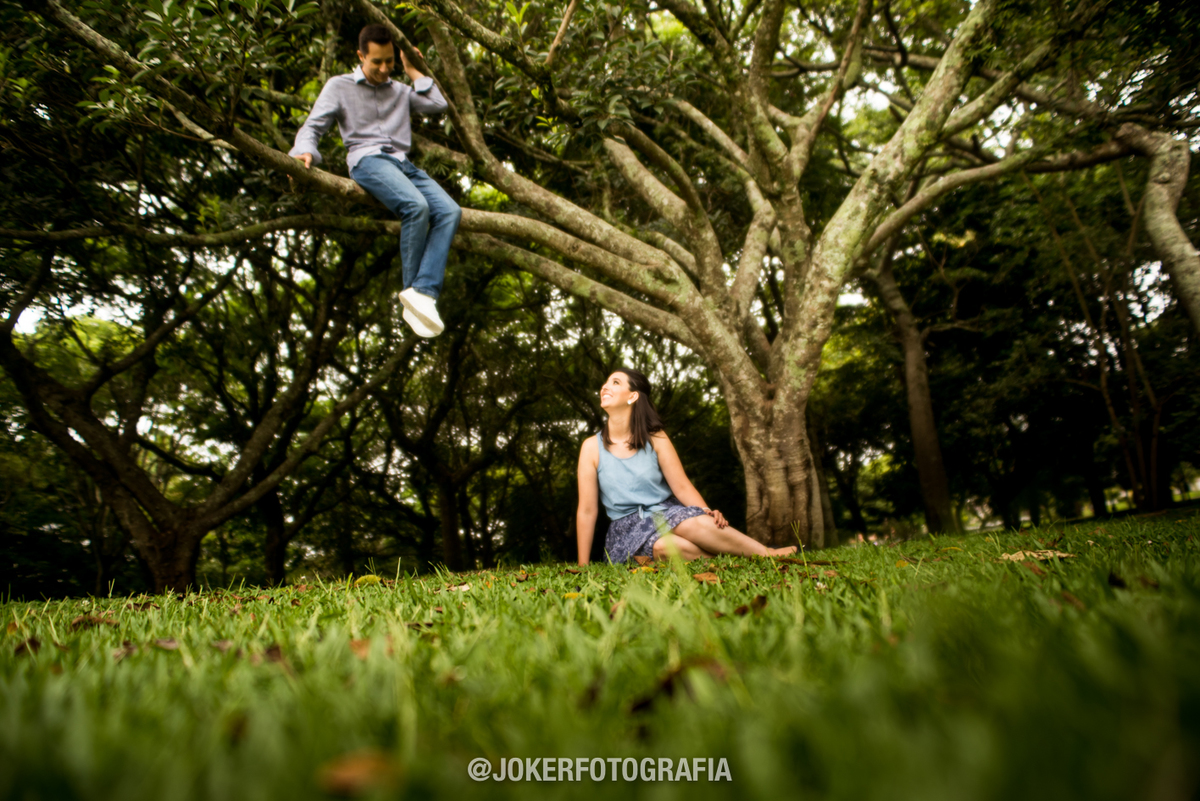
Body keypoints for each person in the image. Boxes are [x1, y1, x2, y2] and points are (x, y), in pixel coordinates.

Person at [290, 24, 461, 338]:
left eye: (389, 62)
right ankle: (414, 295)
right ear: (360, 56)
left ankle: (423, 291)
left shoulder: (398, 89)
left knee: (450, 211)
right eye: (376, 62)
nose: (384, 69)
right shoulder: (338, 87)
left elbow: (438, 104)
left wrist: (412, 70)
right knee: (416, 207)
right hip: (367, 161)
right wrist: (304, 152)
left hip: (402, 164)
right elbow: (312, 128)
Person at [575, 368, 799, 565]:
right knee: (666, 547)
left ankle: (766, 554)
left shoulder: (656, 438)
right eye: (606, 382)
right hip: (626, 529)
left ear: (633, 396)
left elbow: (681, 486)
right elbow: (586, 511)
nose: (605, 386)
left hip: (668, 514)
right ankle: (737, 557)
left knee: (691, 523)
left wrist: (706, 513)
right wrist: (583, 566)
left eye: (615, 382)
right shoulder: (591, 448)